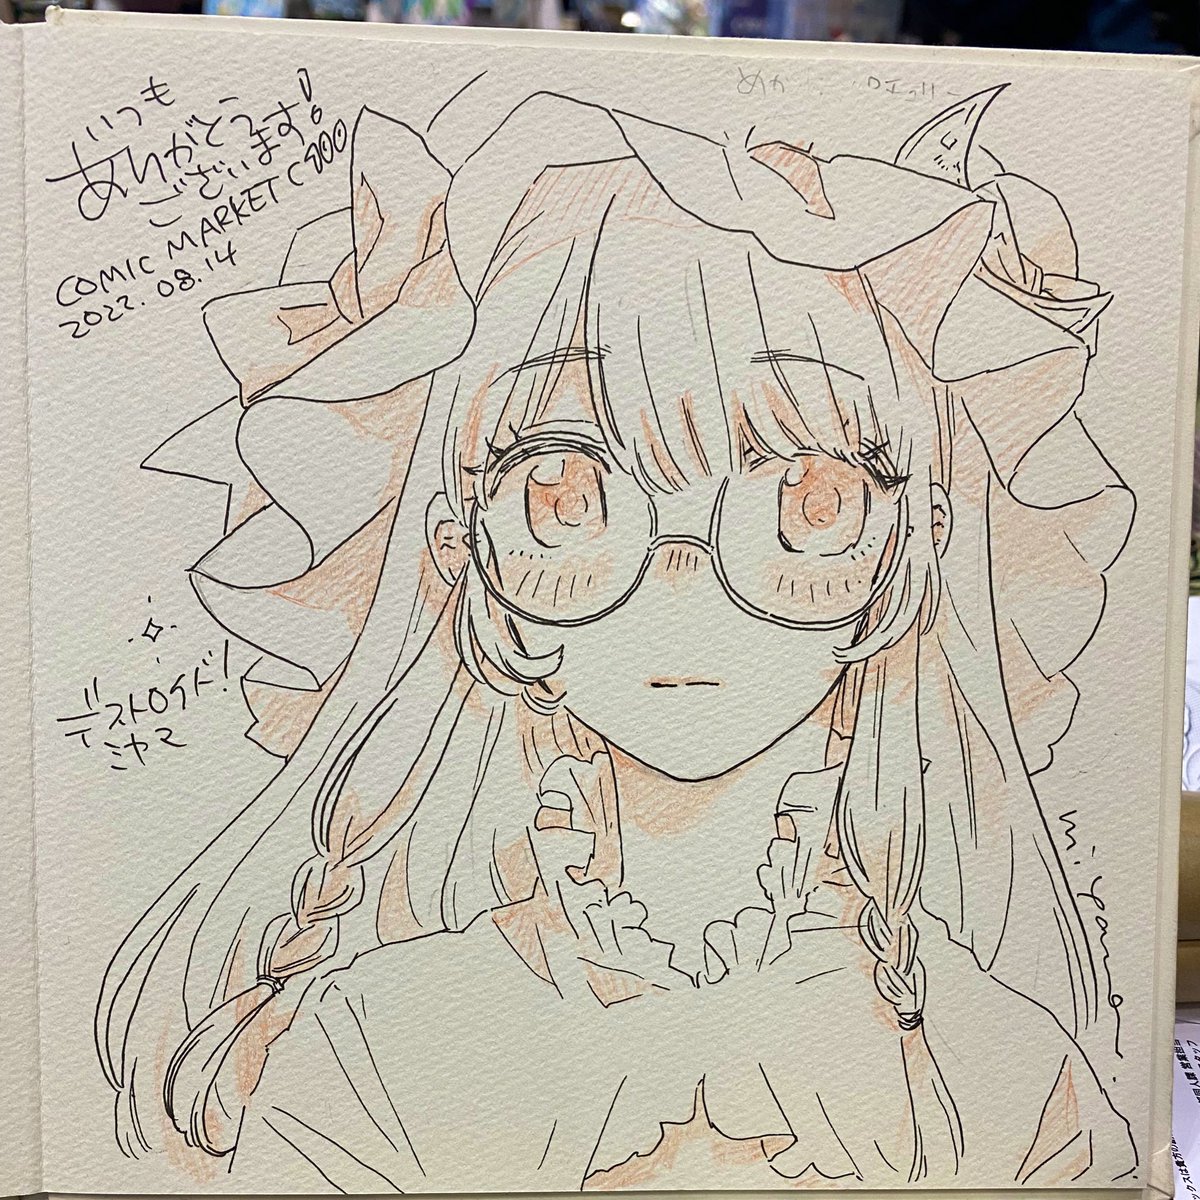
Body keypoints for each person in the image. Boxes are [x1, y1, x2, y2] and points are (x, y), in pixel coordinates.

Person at [97, 84, 1137, 1190]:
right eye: (566, 492)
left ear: (911, 544)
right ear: (463, 551)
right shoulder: (366, 1053)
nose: (682, 586)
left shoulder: (1003, 1068)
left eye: (808, 498)